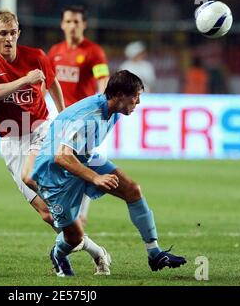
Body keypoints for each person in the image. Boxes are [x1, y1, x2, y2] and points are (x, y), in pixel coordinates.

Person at [0, 10, 110, 275]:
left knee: (33, 178)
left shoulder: (36, 55)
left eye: (13, 33)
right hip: (12, 141)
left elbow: (53, 83)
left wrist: (63, 115)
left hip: (41, 130)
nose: (8, 39)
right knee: (49, 215)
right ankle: (97, 252)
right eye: (2, 33)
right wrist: (24, 80)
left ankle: (79, 187)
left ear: (19, 33)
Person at [31, 70, 187, 276]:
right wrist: (95, 177)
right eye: (136, 96)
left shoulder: (112, 110)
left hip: (84, 157)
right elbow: (61, 156)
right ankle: (58, 255)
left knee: (132, 190)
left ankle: (155, 253)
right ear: (121, 95)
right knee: (74, 238)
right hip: (54, 174)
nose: (138, 102)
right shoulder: (90, 117)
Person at [48, 5, 110, 225]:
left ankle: (80, 214)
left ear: (83, 25)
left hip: (83, 119)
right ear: (62, 24)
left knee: (78, 164)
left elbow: (103, 79)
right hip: (59, 117)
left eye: (77, 22)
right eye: (69, 21)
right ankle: (68, 209)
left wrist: (101, 105)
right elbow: (48, 82)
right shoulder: (55, 52)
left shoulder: (93, 51)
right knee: (59, 163)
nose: (72, 26)